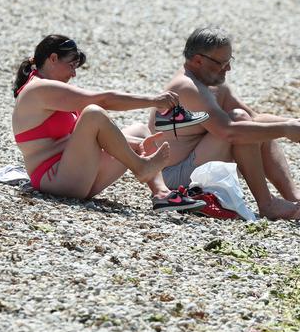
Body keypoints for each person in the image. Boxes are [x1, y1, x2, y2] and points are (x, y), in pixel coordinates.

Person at [147, 27, 300, 221]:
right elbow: (230, 133)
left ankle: (298, 202)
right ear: (198, 60)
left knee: (254, 127)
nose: (228, 68)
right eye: (222, 63)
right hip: (172, 177)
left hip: (196, 160)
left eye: (230, 61)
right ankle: (267, 204)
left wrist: (292, 123)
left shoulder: (211, 82)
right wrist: (285, 130)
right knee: (243, 125)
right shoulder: (187, 87)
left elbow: (254, 118)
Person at [12, 34, 205, 211]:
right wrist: (154, 100)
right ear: (52, 58)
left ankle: (162, 194)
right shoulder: (37, 89)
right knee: (94, 113)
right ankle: (141, 167)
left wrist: (136, 145)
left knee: (139, 130)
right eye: (71, 65)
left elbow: (94, 137)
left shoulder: (55, 91)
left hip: (77, 174)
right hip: (53, 180)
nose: (74, 74)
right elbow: (103, 100)